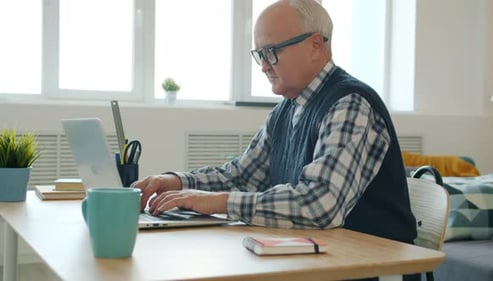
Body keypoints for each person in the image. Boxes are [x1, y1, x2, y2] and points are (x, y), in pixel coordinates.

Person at [133, 0, 416, 252]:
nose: (264, 66)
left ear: (315, 45)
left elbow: (320, 204)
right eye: (260, 54)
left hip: (372, 266)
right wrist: (179, 182)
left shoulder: (350, 104)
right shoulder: (286, 109)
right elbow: (243, 176)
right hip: (317, 260)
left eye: (271, 52)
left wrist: (218, 202)